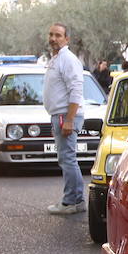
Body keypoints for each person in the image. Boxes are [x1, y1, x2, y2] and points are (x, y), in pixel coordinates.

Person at [44, 23, 86, 214]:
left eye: (58, 35)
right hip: (60, 115)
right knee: (67, 158)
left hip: (66, 116)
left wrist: (69, 119)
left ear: (66, 39)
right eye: (51, 34)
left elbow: (76, 89)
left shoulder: (68, 59)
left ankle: (70, 202)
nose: (53, 38)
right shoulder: (57, 59)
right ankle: (76, 200)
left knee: (67, 159)